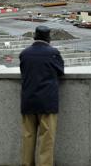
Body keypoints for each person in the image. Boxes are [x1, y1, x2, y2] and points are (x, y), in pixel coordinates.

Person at [19, 25, 64, 166]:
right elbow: (60, 71)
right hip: (47, 101)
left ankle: (27, 164)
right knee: (46, 138)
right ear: (48, 38)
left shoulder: (24, 54)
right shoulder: (53, 53)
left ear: (35, 37)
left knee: (28, 136)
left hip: (28, 100)